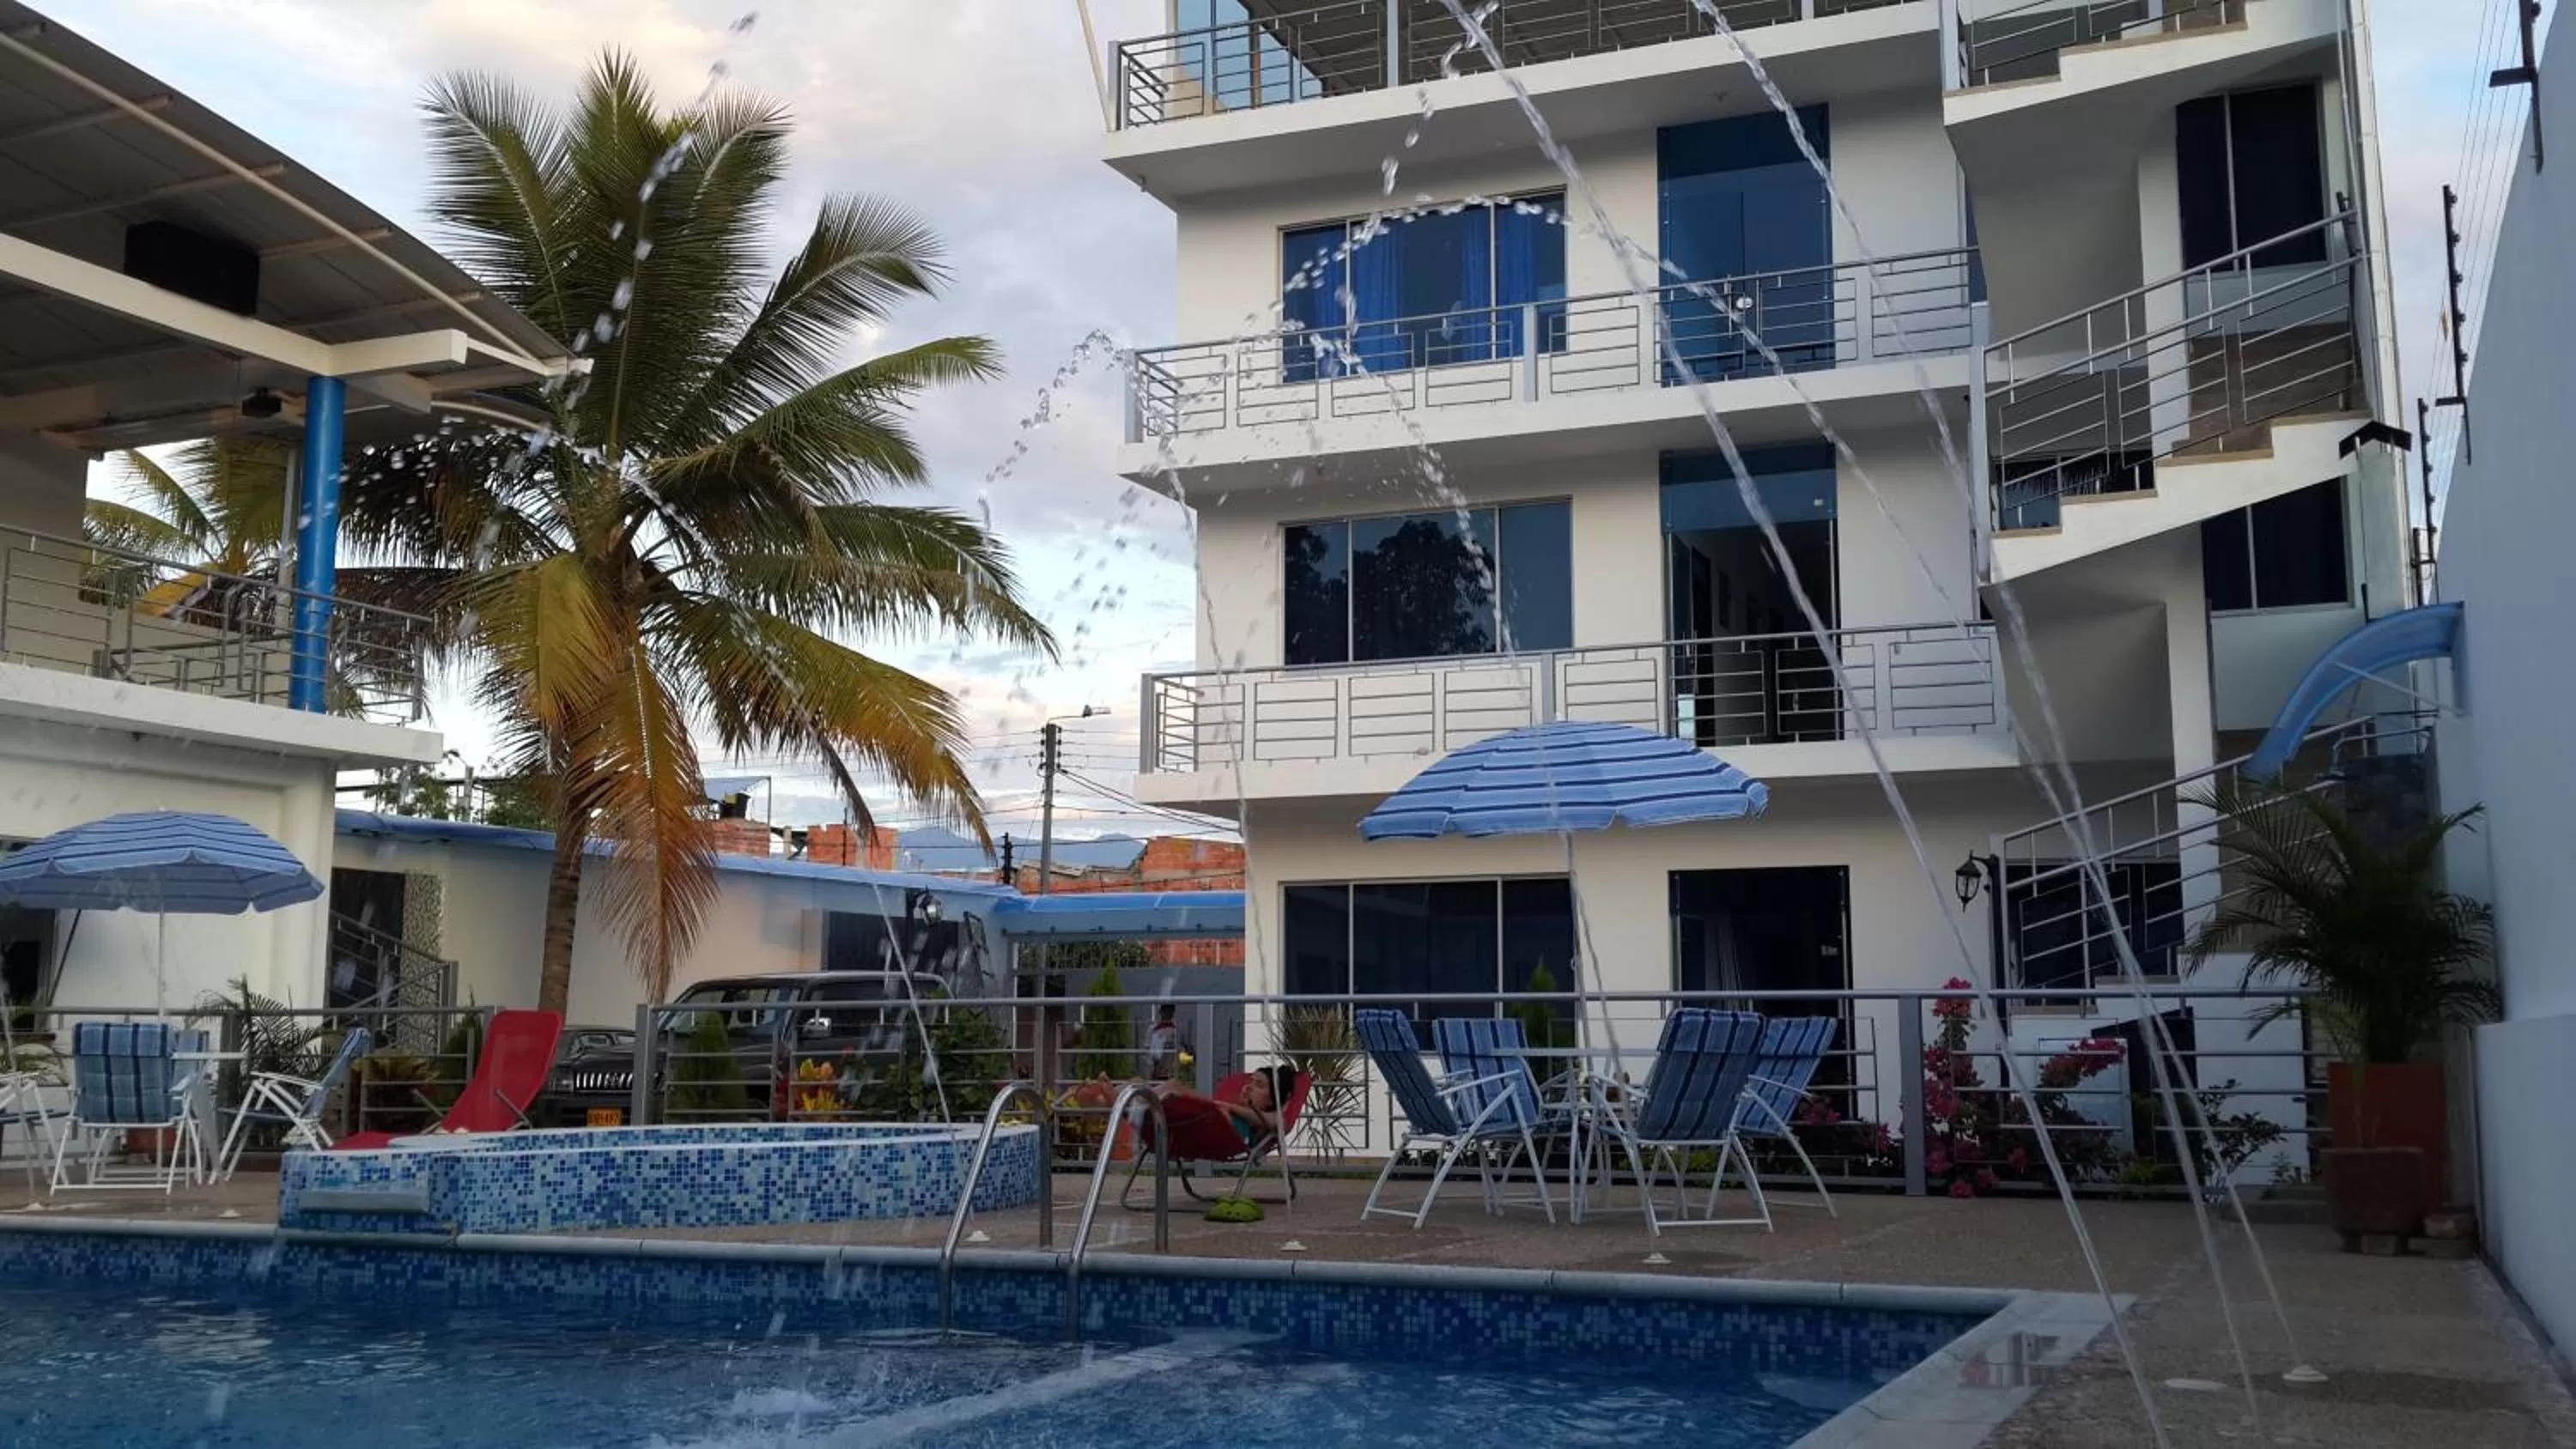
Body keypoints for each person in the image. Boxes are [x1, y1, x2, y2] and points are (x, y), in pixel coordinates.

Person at [1143, 1003, 1187, 1082]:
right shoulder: (1153, 1029)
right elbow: (1148, 1050)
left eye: (1170, 1012)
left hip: (1172, 1070)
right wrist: (1150, 1067)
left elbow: (1181, 1048)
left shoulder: (1177, 1029)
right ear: (1161, 1013)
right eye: (1166, 1012)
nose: (1168, 1014)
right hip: (1157, 1068)